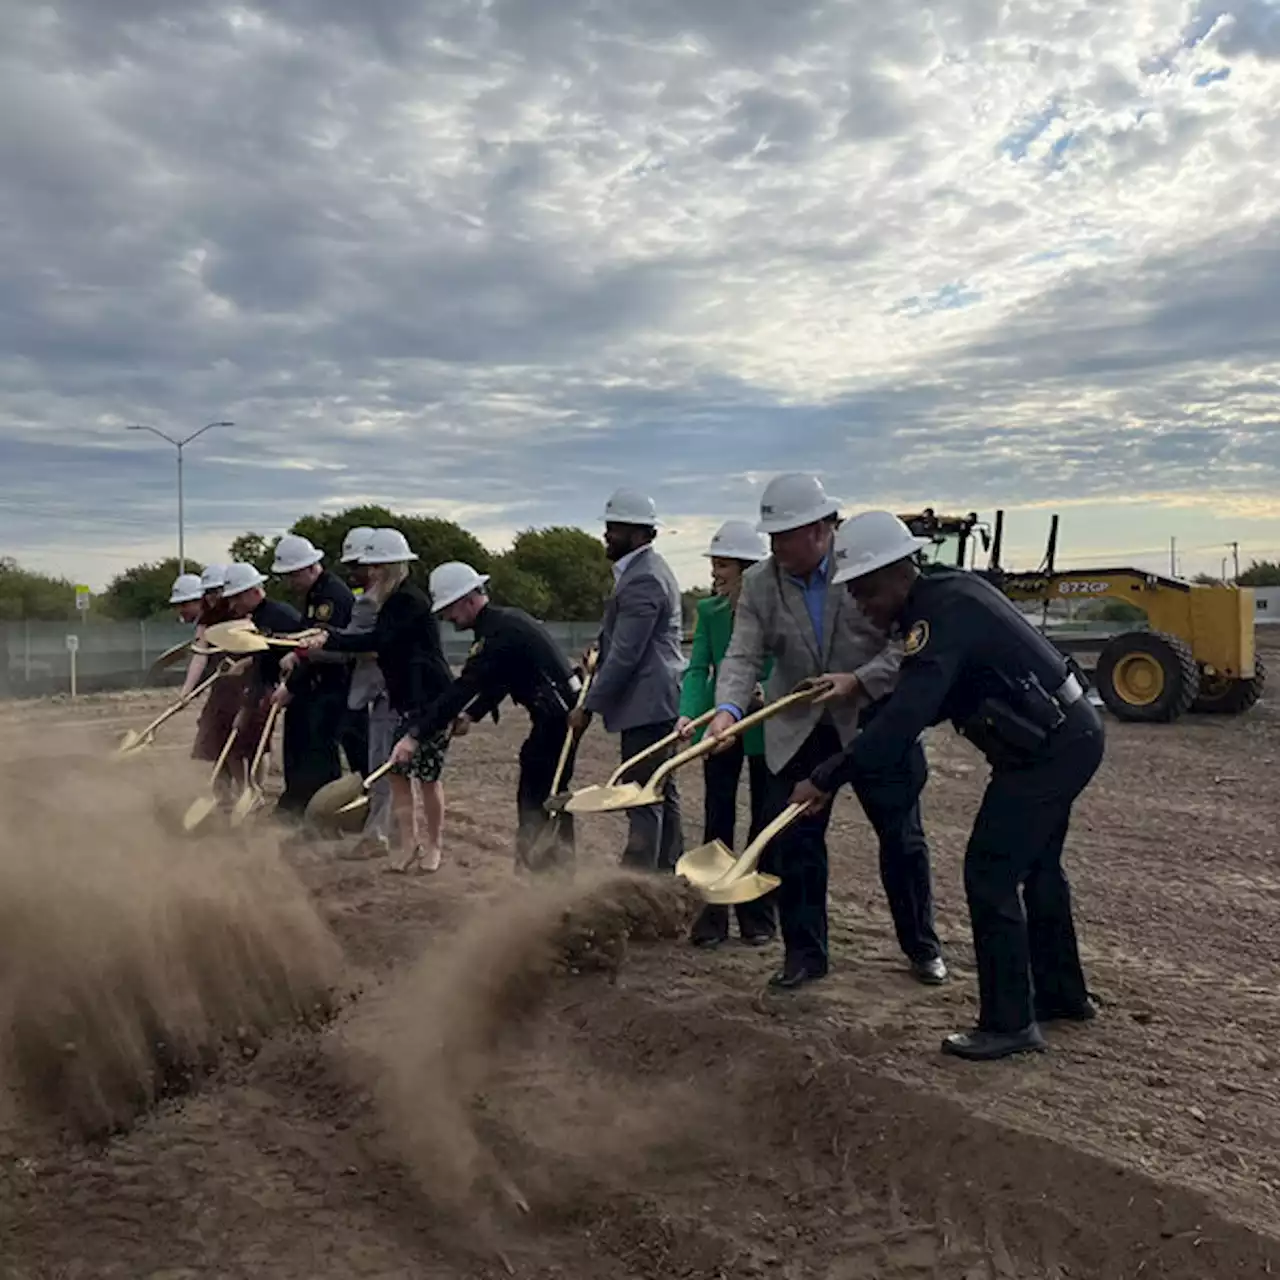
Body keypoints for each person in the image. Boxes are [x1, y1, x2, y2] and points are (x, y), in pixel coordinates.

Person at [789, 511, 1104, 1062]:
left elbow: (909, 714)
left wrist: (826, 776)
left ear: (897, 571)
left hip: (1050, 751)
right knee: (1038, 867)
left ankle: (1009, 1022)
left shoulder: (940, 616)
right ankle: (1062, 996)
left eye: (864, 590)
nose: (861, 604)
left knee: (989, 871)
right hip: (1059, 740)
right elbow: (926, 700)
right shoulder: (946, 601)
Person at [704, 473, 945, 991]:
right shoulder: (764, 584)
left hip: (874, 717)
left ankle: (922, 946)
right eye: (770, 536)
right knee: (796, 842)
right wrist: (726, 710)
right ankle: (805, 955)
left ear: (818, 530)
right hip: (800, 725)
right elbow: (744, 653)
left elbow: (905, 643)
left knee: (900, 838)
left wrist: (859, 680)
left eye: (783, 535)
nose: (773, 547)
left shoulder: (864, 561)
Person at [391, 561, 585, 870]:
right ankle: (540, 871)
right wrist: (472, 714)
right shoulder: (503, 624)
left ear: (469, 599)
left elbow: (466, 685)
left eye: (449, 610)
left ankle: (548, 876)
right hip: (557, 714)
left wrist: (415, 737)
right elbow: (500, 678)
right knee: (539, 789)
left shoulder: (498, 634)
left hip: (557, 717)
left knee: (542, 796)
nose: (447, 618)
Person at [299, 529, 453, 873]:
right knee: (397, 776)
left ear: (388, 567)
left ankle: (433, 848)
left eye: (374, 566)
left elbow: (379, 641)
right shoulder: (390, 599)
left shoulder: (407, 602)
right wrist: (331, 638)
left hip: (427, 700)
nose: (368, 572)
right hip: (402, 699)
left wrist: (330, 639)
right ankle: (407, 845)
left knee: (427, 779)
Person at [566, 488, 686, 873]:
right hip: (655, 701)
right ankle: (667, 874)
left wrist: (588, 705)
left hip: (648, 703)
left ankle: (639, 883)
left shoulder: (644, 579)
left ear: (639, 534)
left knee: (641, 796)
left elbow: (627, 655)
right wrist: (598, 646)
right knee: (660, 791)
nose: (606, 535)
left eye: (615, 528)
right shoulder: (638, 573)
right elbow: (618, 638)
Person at [676, 520, 775, 948]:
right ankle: (711, 917)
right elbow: (700, 668)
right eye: (715, 564)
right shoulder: (710, 613)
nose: (715, 573)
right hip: (721, 726)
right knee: (717, 820)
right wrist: (688, 715)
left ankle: (757, 916)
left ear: (748, 569)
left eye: (723, 565)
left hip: (768, 730)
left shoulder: (774, 612)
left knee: (763, 823)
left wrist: (767, 693)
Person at [269, 533, 355, 820]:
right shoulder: (315, 595)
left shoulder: (331, 598)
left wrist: (291, 683)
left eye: (292, 575)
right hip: (314, 685)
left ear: (309, 568)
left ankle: (320, 813)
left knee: (319, 753)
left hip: (332, 686)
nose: (289, 582)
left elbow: (317, 646)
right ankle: (297, 805)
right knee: (301, 749)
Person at [222, 561, 304, 782]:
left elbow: (304, 649)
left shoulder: (281, 615)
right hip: (277, 687)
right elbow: (262, 662)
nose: (232, 604)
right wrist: (247, 707)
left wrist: (289, 684)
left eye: (236, 597)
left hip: (300, 688)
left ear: (253, 591)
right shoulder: (258, 620)